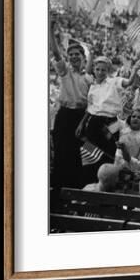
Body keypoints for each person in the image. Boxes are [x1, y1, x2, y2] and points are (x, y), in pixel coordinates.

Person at [75, 56, 140, 182]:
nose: (100, 72)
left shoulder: (115, 81)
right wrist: (81, 124)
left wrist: (135, 69)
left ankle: (105, 182)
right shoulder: (92, 87)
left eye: (103, 70)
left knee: (108, 152)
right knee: (90, 152)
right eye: (97, 69)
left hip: (111, 121)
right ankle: (89, 183)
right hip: (94, 121)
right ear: (94, 70)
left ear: (108, 70)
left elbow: (129, 82)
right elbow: (90, 108)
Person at [49, 20, 93, 190]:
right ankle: (58, 189)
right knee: (61, 152)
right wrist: (51, 31)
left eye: (77, 54)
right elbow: (55, 52)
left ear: (83, 57)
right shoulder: (64, 71)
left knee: (78, 153)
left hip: (81, 117)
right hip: (65, 115)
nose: (74, 56)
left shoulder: (89, 78)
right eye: (71, 54)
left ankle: (75, 189)